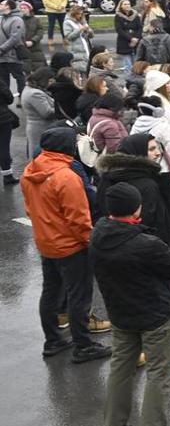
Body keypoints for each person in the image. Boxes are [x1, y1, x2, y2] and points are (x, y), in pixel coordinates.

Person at [94, 181, 170, 426]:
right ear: (136, 207)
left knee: (120, 370)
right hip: (154, 314)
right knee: (159, 373)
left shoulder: (99, 235)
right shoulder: (145, 243)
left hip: (121, 313)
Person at [24, 126, 111, 361]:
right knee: (79, 295)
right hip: (71, 246)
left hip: (45, 243)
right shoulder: (67, 177)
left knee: (51, 292)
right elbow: (78, 219)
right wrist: (90, 243)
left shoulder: (31, 170)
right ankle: (83, 345)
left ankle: (52, 340)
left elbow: (30, 209)